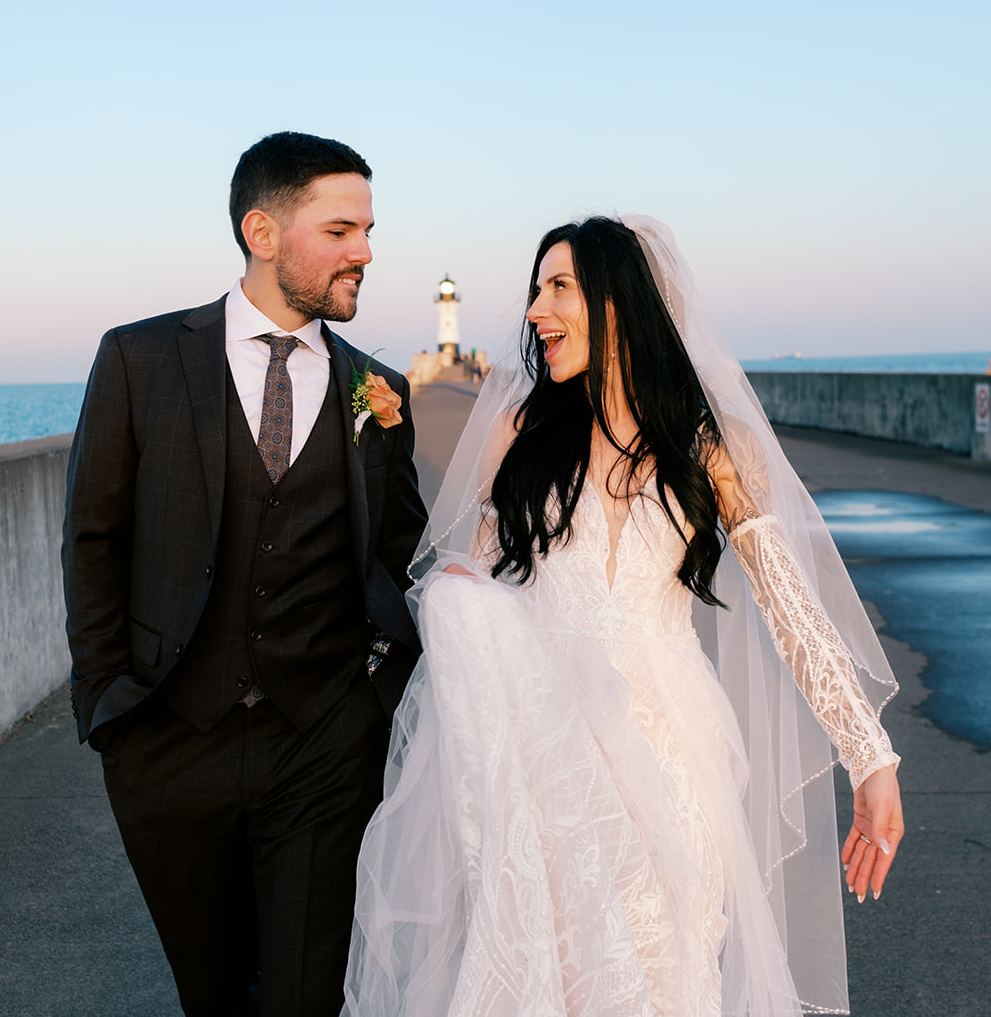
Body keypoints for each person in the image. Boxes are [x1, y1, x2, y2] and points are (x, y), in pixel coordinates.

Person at [345, 215, 905, 1016]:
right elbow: (471, 585)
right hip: (543, 750)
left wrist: (870, 755)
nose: (535, 309)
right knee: (557, 972)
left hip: (672, 748)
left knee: (663, 962)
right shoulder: (521, 430)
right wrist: (460, 599)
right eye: (536, 289)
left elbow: (792, 609)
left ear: (618, 304)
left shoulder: (712, 445)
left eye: (559, 286)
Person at [62, 131, 428, 1016]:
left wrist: (372, 703)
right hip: (169, 743)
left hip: (324, 750)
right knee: (215, 995)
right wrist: (111, 709)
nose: (366, 252)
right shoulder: (139, 360)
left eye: (369, 230)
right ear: (262, 232)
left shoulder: (376, 388)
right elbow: (94, 539)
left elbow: (401, 555)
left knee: (305, 1000)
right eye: (341, 229)